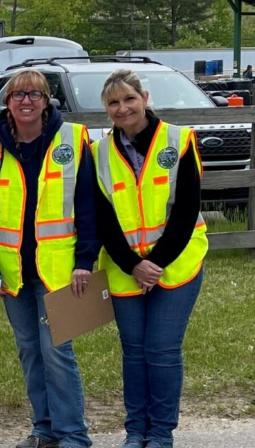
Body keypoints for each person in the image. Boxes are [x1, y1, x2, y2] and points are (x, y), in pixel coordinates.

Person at [0, 69, 99, 448]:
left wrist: (85, 260)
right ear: (7, 102)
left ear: (47, 101)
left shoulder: (72, 138)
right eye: (18, 95)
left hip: (60, 270)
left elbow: (88, 204)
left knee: (57, 352)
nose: (26, 101)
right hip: (11, 270)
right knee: (30, 352)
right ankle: (44, 430)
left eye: (35, 94)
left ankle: (73, 435)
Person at [93, 69, 207, 448]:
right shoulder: (98, 153)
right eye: (113, 102)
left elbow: (186, 210)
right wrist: (133, 265)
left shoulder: (179, 140)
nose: (122, 108)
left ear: (144, 98)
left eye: (129, 98)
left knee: (161, 349)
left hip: (175, 263)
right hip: (125, 267)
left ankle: (160, 433)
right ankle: (135, 431)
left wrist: (153, 264)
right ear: (106, 109)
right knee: (134, 352)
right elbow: (103, 218)